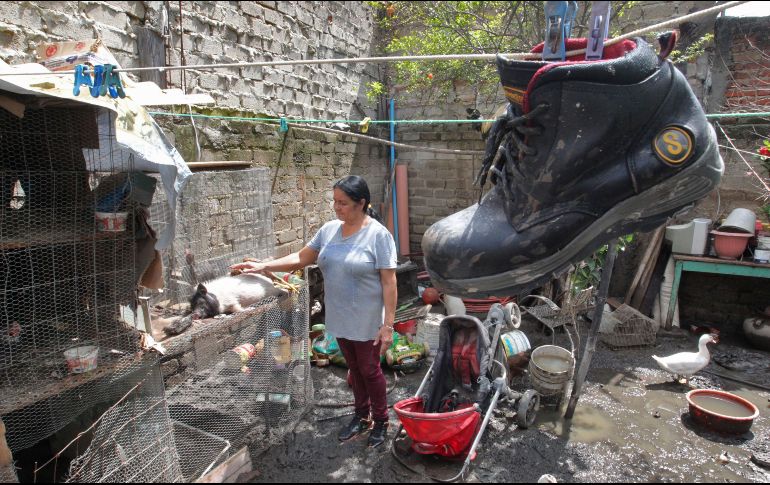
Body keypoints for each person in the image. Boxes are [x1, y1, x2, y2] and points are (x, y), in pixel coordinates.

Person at [230, 175, 397, 448]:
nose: (336, 207)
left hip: (367, 318)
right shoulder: (330, 230)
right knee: (354, 367)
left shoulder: (378, 235)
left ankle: (381, 421)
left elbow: (389, 282)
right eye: (334, 201)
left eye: (343, 203)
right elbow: (301, 257)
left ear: (361, 203)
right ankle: (361, 415)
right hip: (340, 314)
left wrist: (388, 324)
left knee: (370, 369)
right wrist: (265, 266)